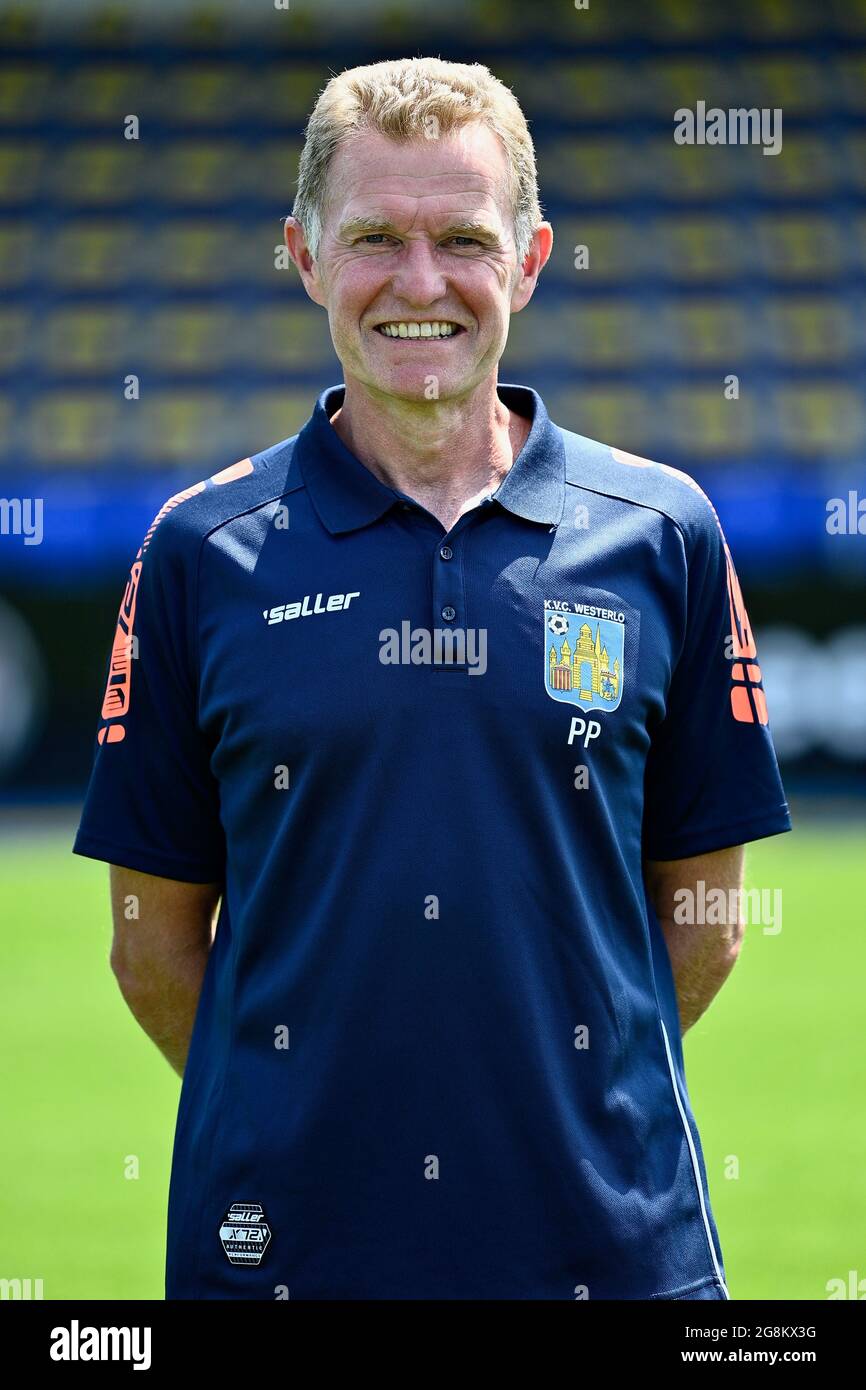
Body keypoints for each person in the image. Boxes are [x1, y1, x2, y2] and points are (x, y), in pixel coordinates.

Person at [73, 56, 792, 1300]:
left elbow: (705, 917)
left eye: (461, 238)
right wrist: (316, 1118)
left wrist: (553, 1100)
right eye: (373, 239)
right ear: (302, 255)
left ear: (527, 258)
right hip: (289, 1260)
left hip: (612, 1255)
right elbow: (151, 947)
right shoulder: (199, 552)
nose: (420, 285)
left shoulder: (663, 532)